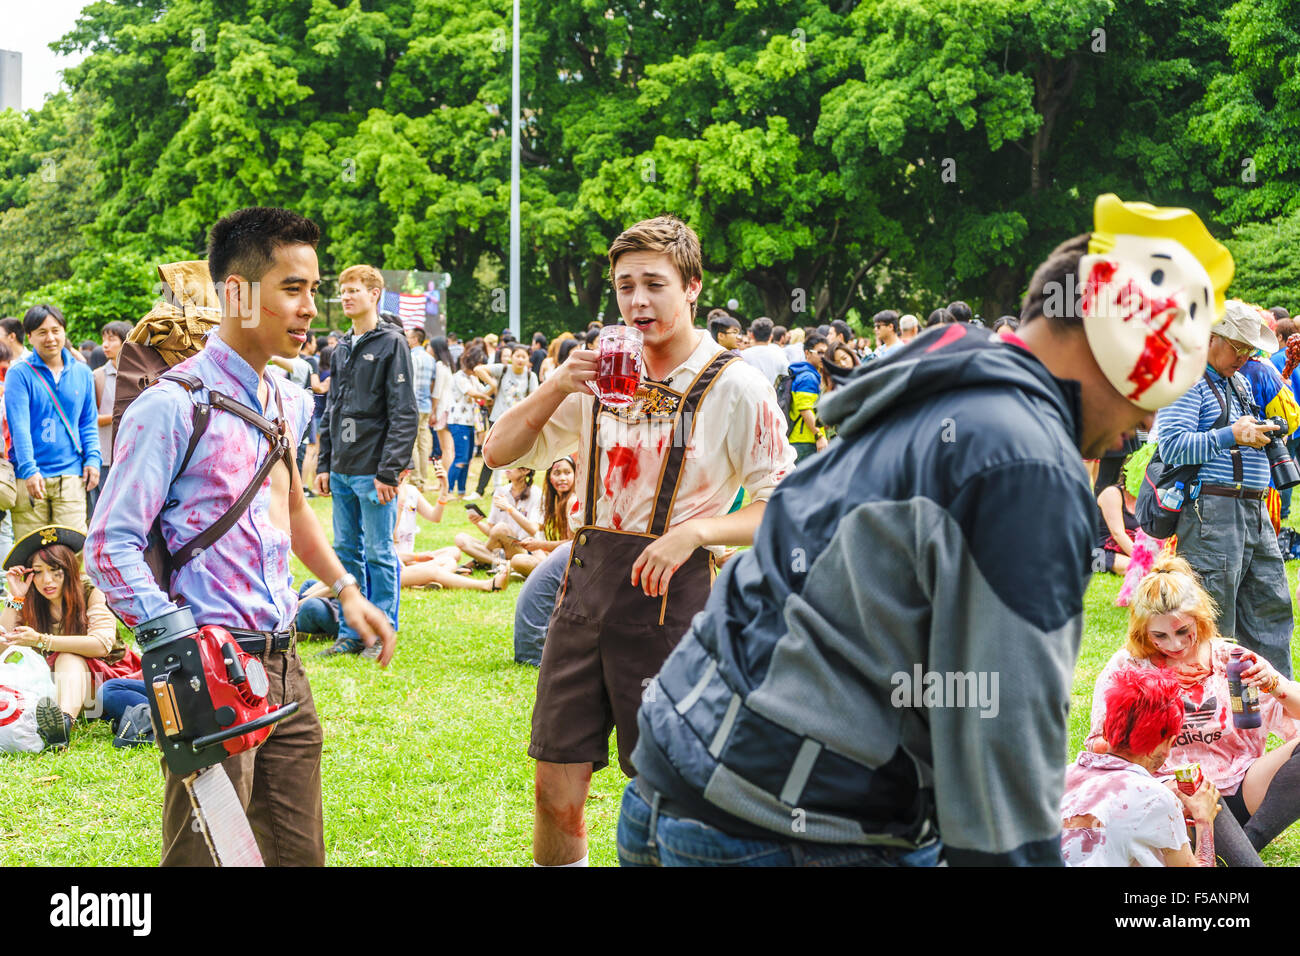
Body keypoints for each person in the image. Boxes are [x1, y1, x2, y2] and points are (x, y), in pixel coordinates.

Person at [620, 194, 1234, 867]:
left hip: (676, 778)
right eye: (1160, 380)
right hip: (780, 826)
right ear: (1119, 335)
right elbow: (1004, 763)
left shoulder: (944, 383)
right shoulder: (1027, 459)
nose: (1149, 421)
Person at [87, 206, 395, 867]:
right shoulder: (171, 407)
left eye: (315, 289)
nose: (312, 307)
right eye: (293, 288)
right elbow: (108, 546)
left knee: (296, 854)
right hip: (211, 676)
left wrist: (346, 591)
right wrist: (178, 640)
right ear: (236, 293)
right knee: (209, 858)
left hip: (284, 668)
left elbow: (294, 510)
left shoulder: (278, 397)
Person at [483, 214, 794, 867]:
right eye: (626, 286)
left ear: (693, 287)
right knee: (554, 785)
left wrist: (700, 531)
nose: (638, 301)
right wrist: (558, 383)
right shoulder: (599, 375)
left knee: (669, 789)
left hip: (671, 598)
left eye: (655, 284)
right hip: (583, 589)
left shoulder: (735, 384)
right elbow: (498, 450)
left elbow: (784, 508)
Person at [1087, 556, 1300, 866]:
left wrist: (1273, 685)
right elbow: (1100, 749)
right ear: (1143, 632)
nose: (1174, 645)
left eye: (1183, 631)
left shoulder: (1231, 658)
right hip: (1169, 801)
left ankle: (1246, 844)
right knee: (1194, 779)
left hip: (1240, 787)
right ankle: (1235, 855)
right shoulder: (1129, 668)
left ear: (1199, 618)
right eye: (1159, 636)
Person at [1155, 298, 1293, 677]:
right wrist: (1231, 435)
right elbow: (1172, 445)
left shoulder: (1239, 381)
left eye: (1250, 349)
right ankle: (1211, 722)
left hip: (1253, 510)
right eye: (1239, 346)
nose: (1246, 356)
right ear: (1210, 338)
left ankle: (1284, 717)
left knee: (1272, 611)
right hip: (1211, 514)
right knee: (1213, 623)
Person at [314, 264, 419, 659]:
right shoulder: (341, 346)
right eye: (342, 290)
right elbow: (332, 409)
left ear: (375, 294)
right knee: (345, 552)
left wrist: (390, 470)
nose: (346, 296)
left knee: (378, 552)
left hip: (375, 471)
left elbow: (404, 411)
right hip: (341, 467)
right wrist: (324, 463)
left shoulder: (393, 343)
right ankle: (350, 633)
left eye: (354, 289)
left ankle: (382, 632)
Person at [0, 526, 141, 749]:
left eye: (56, 570)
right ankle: (55, 720)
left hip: (107, 682)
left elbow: (102, 644)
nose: (47, 580)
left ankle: (62, 726)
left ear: (69, 569)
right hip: (58, 685)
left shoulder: (91, 590)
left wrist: (42, 640)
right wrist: (15, 597)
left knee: (66, 656)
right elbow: (3, 647)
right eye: (37, 571)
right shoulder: (29, 599)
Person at [1062, 666, 1218, 867]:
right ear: (1168, 742)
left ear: (1107, 731)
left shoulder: (1059, 778)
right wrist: (1204, 820)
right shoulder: (1155, 797)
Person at [6, 305, 101, 540]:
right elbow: (19, 427)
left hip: (71, 476)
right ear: (29, 337)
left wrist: (93, 459)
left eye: (56, 330)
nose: (50, 338)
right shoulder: (19, 374)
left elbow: (87, 422)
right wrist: (29, 470)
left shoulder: (82, 372)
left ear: (64, 332)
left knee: (73, 550)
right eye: (41, 332)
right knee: (31, 553)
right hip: (29, 476)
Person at [472, 344, 539, 498]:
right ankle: (489, 488)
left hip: (518, 422)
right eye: (517, 356)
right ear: (512, 358)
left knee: (516, 455)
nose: (520, 360)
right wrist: (492, 383)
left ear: (528, 359)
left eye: (524, 356)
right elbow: (478, 369)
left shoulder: (530, 376)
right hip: (498, 418)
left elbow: (535, 398)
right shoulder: (503, 369)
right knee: (493, 453)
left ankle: (513, 486)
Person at [453, 465, 542, 567]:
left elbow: (533, 529)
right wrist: (477, 523)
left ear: (526, 470)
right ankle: (502, 563)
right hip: (499, 548)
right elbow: (492, 533)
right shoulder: (500, 492)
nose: (508, 468)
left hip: (523, 549)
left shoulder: (536, 493)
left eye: (513, 465)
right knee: (460, 538)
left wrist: (509, 508)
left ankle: (480, 560)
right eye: (507, 464)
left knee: (501, 527)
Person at [507, 456, 576, 578]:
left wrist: (539, 544)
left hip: (571, 562)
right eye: (557, 473)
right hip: (561, 556)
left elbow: (572, 544)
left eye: (567, 473)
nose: (562, 478)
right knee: (534, 553)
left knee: (519, 560)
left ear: (575, 475)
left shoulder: (572, 501)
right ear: (549, 477)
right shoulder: (554, 501)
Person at [90, 321, 131, 520]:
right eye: (104, 339)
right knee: (103, 514)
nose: (105, 345)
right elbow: (91, 419)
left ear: (125, 342)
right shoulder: (97, 376)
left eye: (111, 339)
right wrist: (122, 415)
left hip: (131, 454)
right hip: (105, 457)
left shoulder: (135, 374)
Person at [445, 346, 493, 498]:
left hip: (470, 422)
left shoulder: (472, 378)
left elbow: (483, 392)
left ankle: (461, 491)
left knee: (467, 458)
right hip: (458, 422)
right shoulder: (459, 377)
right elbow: (473, 394)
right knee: (461, 457)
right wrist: (487, 395)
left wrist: (492, 386)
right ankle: (447, 490)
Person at [787, 332, 828, 462]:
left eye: (826, 353)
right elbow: (805, 409)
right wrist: (819, 436)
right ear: (807, 353)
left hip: (802, 439)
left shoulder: (807, 373)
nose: (823, 357)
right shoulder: (808, 377)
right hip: (804, 440)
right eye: (819, 352)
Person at [406, 326, 436, 491]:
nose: (407, 340)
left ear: (415, 339)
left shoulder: (411, 357)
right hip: (426, 404)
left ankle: (416, 478)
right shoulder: (430, 358)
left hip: (413, 404)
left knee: (413, 441)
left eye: (409, 337)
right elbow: (432, 383)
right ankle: (423, 478)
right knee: (424, 443)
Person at [740, 317, 789, 386]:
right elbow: (786, 377)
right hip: (772, 395)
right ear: (771, 337)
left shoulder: (741, 356)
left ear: (752, 335)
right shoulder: (780, 355)